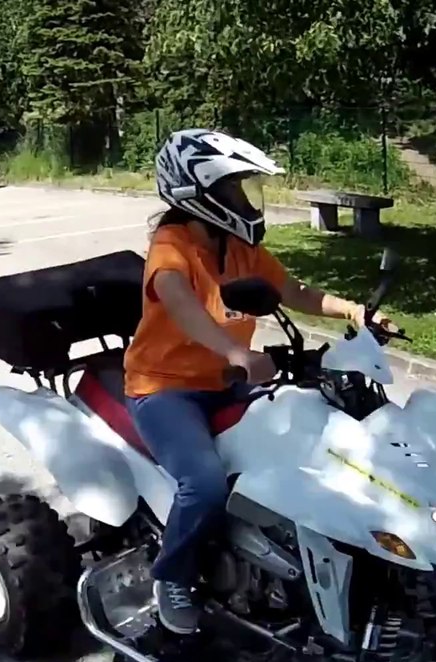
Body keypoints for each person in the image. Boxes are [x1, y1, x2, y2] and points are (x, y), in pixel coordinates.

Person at [123, 129, 397, 636]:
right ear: (195, 193)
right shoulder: (171, 247)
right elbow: (179, 301)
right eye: (232, 190)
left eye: (243, 189)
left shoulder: (239, 248)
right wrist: (234, 351)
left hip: (226, 380)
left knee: (311, 435)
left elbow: (293, 291)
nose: (243, 201)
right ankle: (172, 575)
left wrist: (354, 311)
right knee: (202, 483)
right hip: (165, 389)